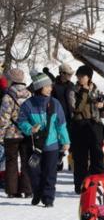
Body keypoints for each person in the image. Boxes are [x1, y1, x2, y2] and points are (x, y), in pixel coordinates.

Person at [17, 72, 70, 207]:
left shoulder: (55, 103)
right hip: (34, 145)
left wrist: (65, 141)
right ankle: (37, 193)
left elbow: (61, 124)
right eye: (47, 86)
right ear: (39, 87)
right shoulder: (28, 105)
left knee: (50, 174)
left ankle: (48, 198)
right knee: (34, 173)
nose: (50, 88)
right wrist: (30, 128)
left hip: (52, 145)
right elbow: (21, 121)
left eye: (50, 86)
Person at [68, 65, 104, 193]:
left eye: (82, 76)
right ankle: (80, 186)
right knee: (80, 158)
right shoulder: (73, 90)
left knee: (97, 156)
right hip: (79, 125)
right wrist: (84, 92)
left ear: (89, 77)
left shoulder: (95, 89)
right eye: (78, 75)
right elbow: (76, 108)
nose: (79, 78)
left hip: (95, 125)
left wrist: (101, 106)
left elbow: (103, 110)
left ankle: (99, 184)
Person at [0, 68, 33, 198]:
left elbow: (4, 118)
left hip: (11, 134)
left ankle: (12, 190)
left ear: (11, 80)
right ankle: (28, 189)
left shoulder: (8, 96)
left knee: (11, 161)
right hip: (26, 133)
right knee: (26, 161)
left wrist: (1, 134)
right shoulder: (30, 95)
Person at [50, 62, 76, 171]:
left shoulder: (72, 85)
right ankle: (58, 162)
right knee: (59, 141)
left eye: (71, 74)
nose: (70, 76)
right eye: (68, 74)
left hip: (71, 117)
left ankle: (72, 163)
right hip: (58, 117)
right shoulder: (53, 86)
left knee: (72, 141)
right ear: (62, 73)